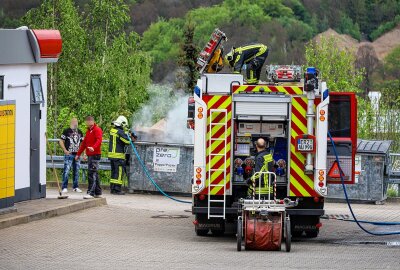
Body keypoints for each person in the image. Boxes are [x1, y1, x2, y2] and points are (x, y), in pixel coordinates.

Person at [75, 116, 103, 199]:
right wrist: (78, 154)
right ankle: (98, 192)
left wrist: (93, 147)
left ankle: (91, 192)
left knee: (92, 173)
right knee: (95, 173)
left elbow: (99, 140)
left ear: (92, 121)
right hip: (90, 154)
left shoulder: (97, 129)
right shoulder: (88, 131)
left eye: (89, 121)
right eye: (87, 121)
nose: (88, 123)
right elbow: (84, 143)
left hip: (95, 154)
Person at [108, 116, 137, 195]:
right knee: (119, 173)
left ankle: (113, 188)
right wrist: (132, 138)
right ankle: (117, 190)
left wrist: (127, 134)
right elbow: (127, 141)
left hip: (112, 156)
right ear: (122, 124)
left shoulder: (112, 130)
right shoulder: (120, 132)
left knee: (114, 173)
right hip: (118, 156)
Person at [59, 118, 83, 193]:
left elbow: (83, 143)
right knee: (66, 170)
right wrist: (65, 150)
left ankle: (75, 187)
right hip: (69, 154)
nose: (75, 123)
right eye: (74, 122)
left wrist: (83, 153)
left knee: (77, 171)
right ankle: (64, 187)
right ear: (71, 123)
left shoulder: (80, 132)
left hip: (77, 155)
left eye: (77, 122)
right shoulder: (66, 131)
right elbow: (61, 141)